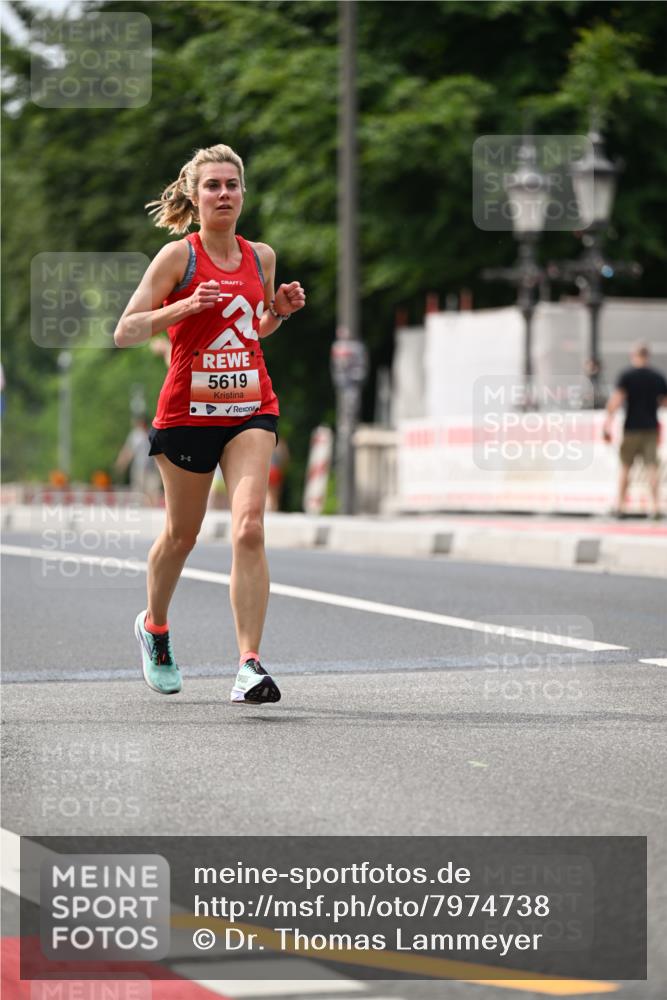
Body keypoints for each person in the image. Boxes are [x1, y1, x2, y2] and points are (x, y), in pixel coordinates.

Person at [113, 143, 305, 701]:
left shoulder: (260, 257)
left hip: (251, 407)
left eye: (232, 185)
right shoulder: (178, 258)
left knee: (249, 527)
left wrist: (280, 311)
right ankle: (155, 627)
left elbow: (255, 325)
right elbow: (126, 330)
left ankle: (249, 665)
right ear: (195, 197)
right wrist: (183, 306)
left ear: (243, 193)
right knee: (182, 535)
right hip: (187, 415)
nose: (224, 194)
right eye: (213, 186)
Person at [603, 342, 667, 519]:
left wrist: (607, 425)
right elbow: (665, 402)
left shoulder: (627, 376)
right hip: (651, 429)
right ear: (648, 356)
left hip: (631, 428)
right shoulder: (657, 377)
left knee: (625, 467)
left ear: (634, 355)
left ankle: (620, 506)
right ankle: (655, 508)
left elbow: (616, 401)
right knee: (652, 468)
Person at [114, 414, 162, 504]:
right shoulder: (135, 435)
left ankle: (151, 508)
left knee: (153, 491)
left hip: (151, 469)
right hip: (139, 469)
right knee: (138, 493)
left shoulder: (152, 434)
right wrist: (121, 463)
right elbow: (128, 450)